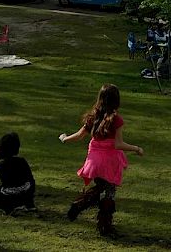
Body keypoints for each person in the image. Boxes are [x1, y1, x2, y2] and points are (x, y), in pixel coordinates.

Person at [60, 84, 144, 236]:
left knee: (100, 186)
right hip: (109, 161)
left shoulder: (93, 116)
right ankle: (105, 225)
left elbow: (79, 135)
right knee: (109, 192)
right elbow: (118, 144)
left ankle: (81, 203)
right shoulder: (116, 120)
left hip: (94, 160)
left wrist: (65, 139)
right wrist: (136, 148)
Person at [0, 132, 36, 214]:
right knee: (24, 186)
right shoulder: (22, 161)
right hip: (27, 192)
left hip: (12, 195)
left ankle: (9, 207)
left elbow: (8, 186)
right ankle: (28, 204)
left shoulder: (0, 166)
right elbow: (30, 181)